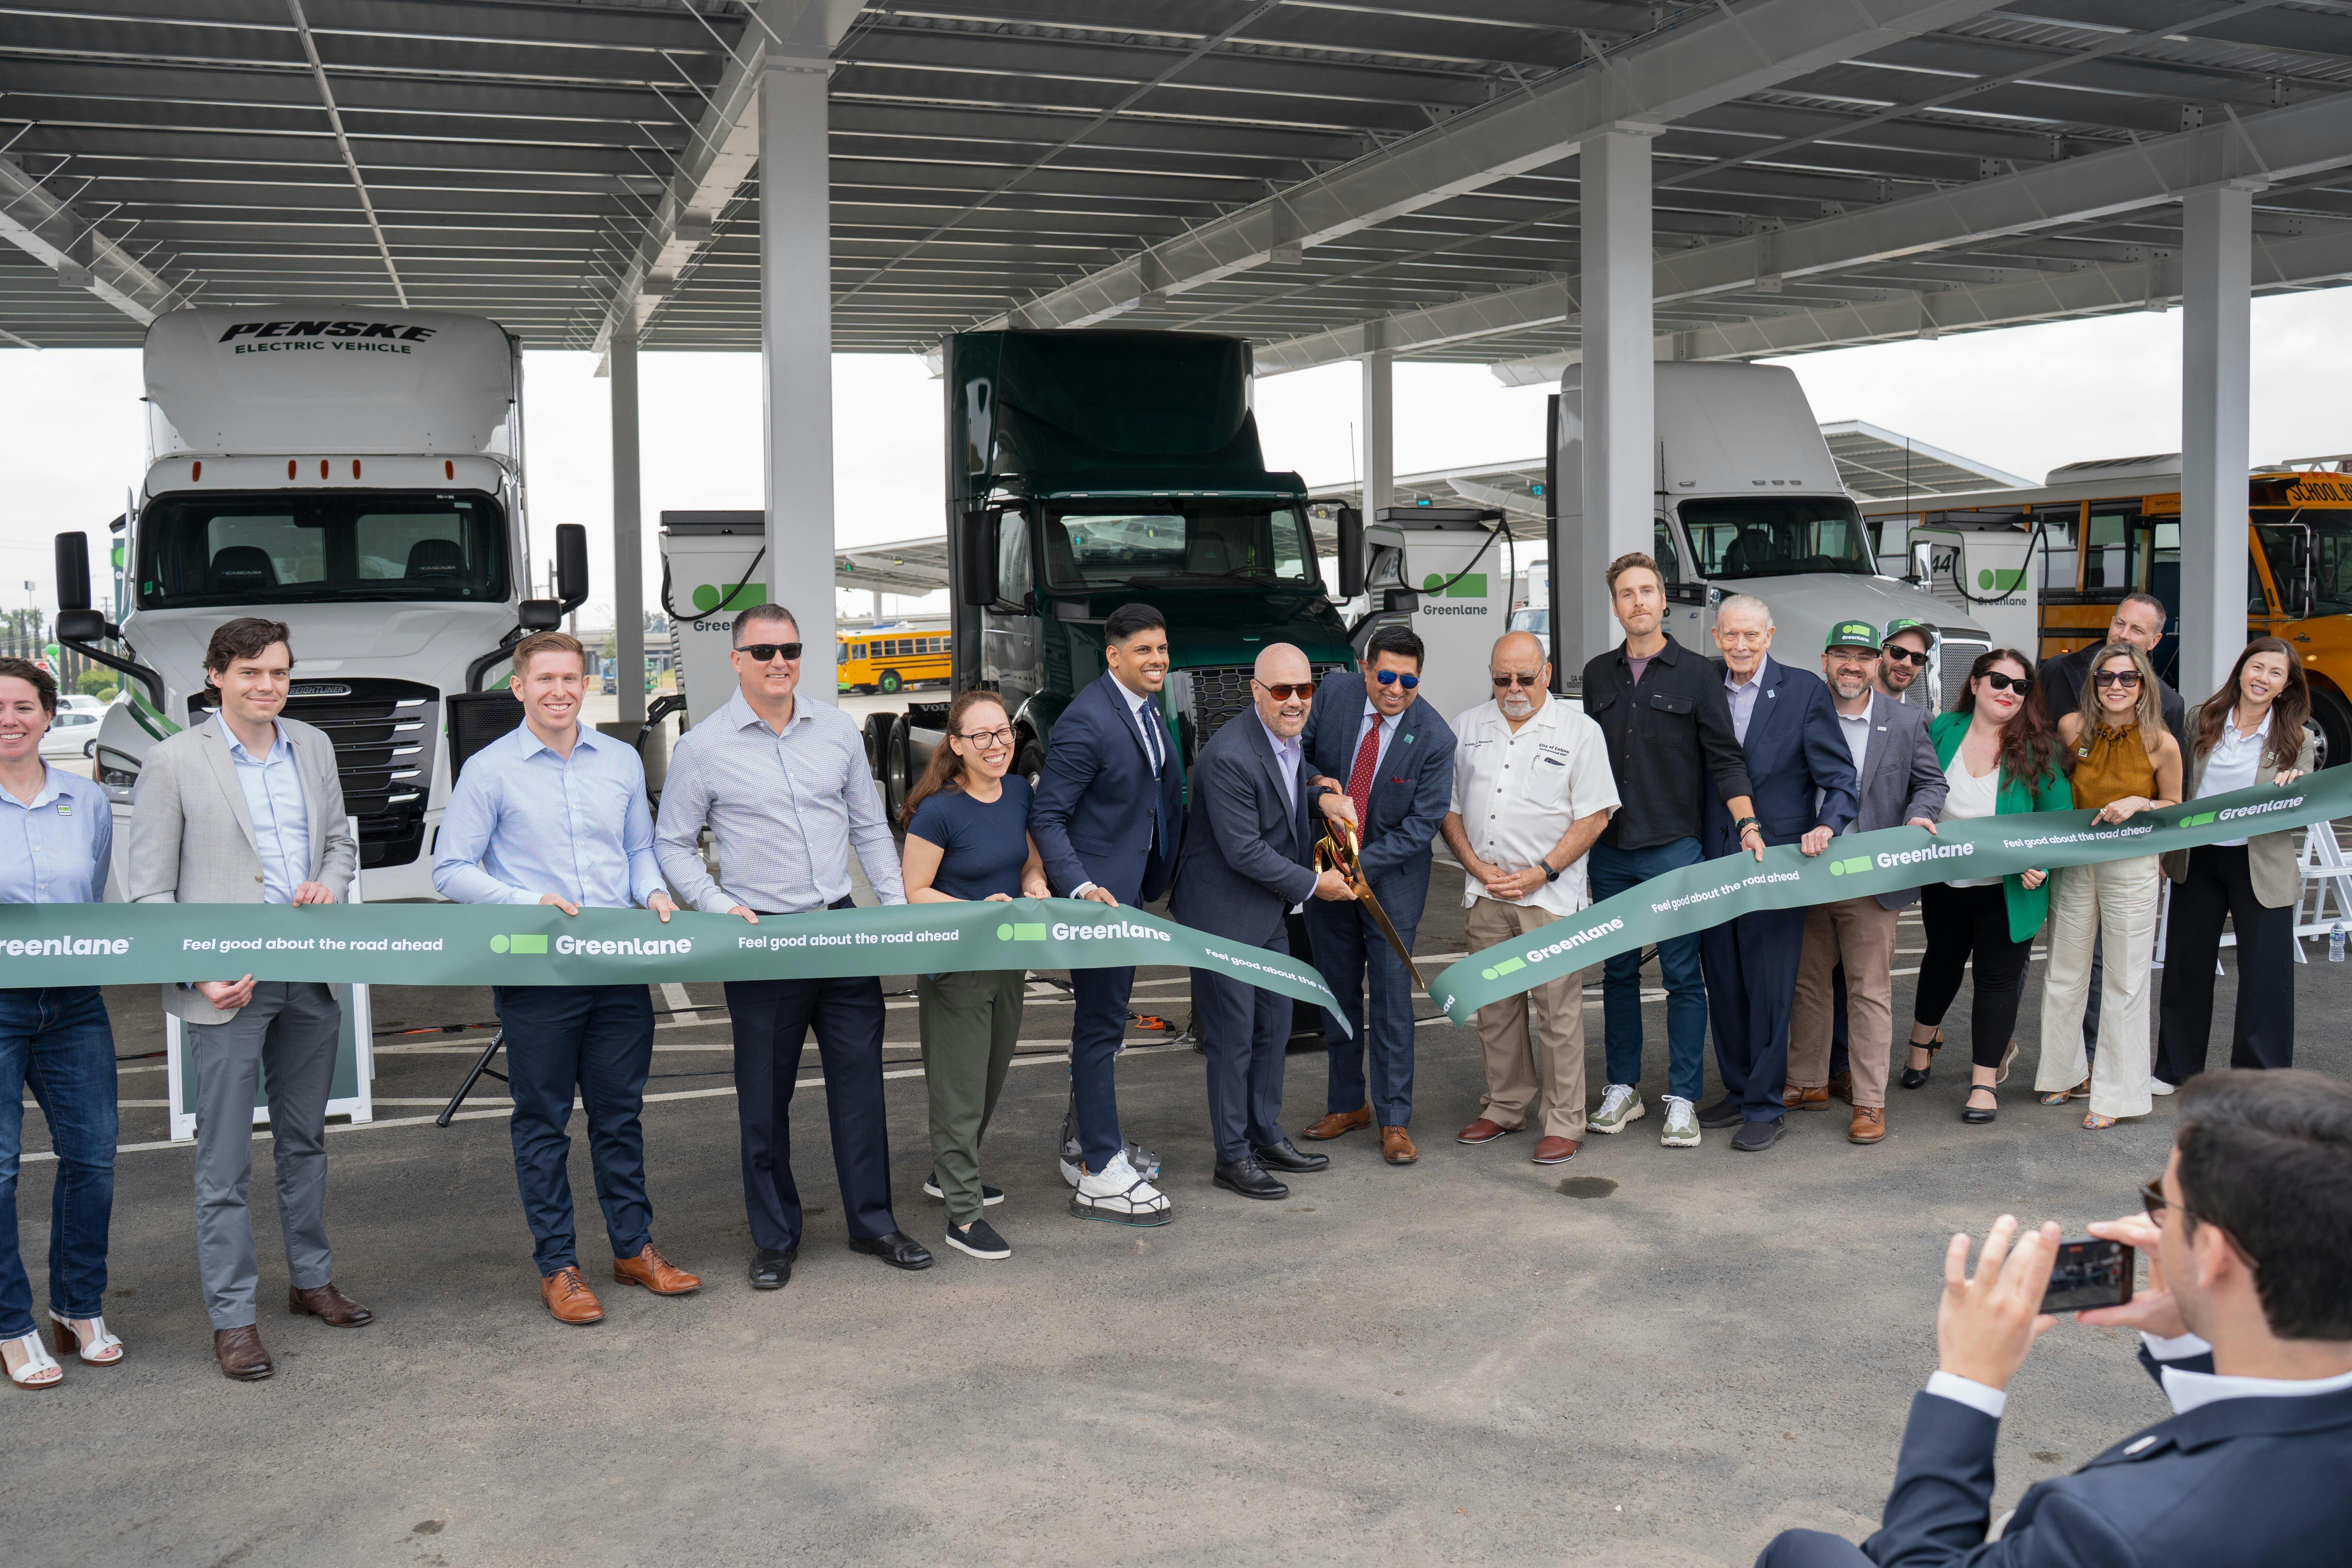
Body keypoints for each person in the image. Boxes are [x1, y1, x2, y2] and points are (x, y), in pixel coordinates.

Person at [1755, 1069, 2352, 1568]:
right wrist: (2186, 1333)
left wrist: (1967, 1381)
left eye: (2161, 1203)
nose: (2153, 1220)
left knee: (1799, 1551)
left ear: (2214, 1255)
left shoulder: (2109, 1529)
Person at [655, 602, 933, 1287]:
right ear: (737, 660)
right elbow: (672, 845)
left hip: (838, 930)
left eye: (791, 649)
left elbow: (871, 830)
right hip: (764, 942)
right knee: (764, 1099)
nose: (779, 661)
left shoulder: (836, 731)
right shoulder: (703, 747)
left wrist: (893, 910)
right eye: (764, 651)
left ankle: (873, 1224)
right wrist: (720, 906)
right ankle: (775, 1239)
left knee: (861, 1090)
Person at [124, 618, 369, 1382]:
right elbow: (150, 889)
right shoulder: (172, 762)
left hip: (307, 974)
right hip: (226, 987)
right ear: (216, 677)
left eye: (280, 674)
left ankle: (311, 1280)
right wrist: (196, 971)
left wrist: (329, 882)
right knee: (222, 1162)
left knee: (306, 1143)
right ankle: (233, 1319)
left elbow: (339, 843)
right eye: (252, 673)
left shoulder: (313, 747)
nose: (268, 687)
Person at [433, 630, 700, 1324]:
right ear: (518, 688)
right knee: (544, 1122)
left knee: (619, 1115)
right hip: (538, 971)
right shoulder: (488, 770)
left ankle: (634, 1249)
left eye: (571, 678)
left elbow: (639, 850)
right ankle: (558, 1265)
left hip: (618, 967)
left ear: (587, 684)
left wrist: (653, 893)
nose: (559, 690)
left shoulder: (616, 761)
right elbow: (451, 869)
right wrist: (530, 903)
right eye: (544, 678)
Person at [1579, 553, 1759, 1150]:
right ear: (1615, 605)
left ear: (1662, 601)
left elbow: (1725, 759)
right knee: (1618, 972)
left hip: (1673, 849)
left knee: (1684, 977)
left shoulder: (1697, 676)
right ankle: (1622, 1088)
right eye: (1626, 593)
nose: (1637, 601)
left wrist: (1748, 824)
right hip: (1608, 852)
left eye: (1647, 591)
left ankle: (1681, 1098)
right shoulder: (1597, 675)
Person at [1167, 645, 1355, 1201]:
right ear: (1256, 692)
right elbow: (1244, 849)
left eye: (1304, 689)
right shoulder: (1228, 756)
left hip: (1266, 908)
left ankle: (1265, 1134)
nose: (1295, 701)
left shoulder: (1285, 736)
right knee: (1233, 1040)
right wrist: (1316, 884)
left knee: (1274, 1027)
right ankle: (1231, 1156)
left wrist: (1322, 796)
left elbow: (1292, 779)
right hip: (1223, 913)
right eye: (1281, 691)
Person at [1028, 602, 1186, 1224]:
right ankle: (1100, 1167)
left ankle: (1082, 1147)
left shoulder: (1149, 710)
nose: (1157, 660)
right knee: (1098, 1030)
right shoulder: (1087, 720)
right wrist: (1084, 887)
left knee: (1105, 1026)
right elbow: (1047, 816)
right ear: (1113, 656)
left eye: (1162, 648)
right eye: (1143, 650)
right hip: (1098, 904)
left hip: (1131, 893)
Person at [1441, 628, 1619, 1163]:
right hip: (1486, 890)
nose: (1513, 687)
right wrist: (1473, 865)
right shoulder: (1466, 727)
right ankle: (1504, 1105)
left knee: (1557, 1013)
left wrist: (1543, 871)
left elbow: (1595, 815)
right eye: (1502, 678)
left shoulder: (1579, 731)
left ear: (1545, 673)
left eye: (1524, 676)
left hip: (1550, 895)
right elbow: (1448, 809)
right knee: (1494, 1008)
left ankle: (1564, 1120)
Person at [1695, 597, 1857, 1152]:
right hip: (1713, 860)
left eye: (1751, 636)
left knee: (1768, 987)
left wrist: (1828, 825)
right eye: (1730, 636)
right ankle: (1738, 1090)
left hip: (1778, 860)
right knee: (1723, 980)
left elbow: (1839, 776)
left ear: (1770, 635)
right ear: (1715, 635)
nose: (1740, 646)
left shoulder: (1804, 690)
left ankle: (1766, 1106)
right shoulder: (1704, 684)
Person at [0, 659, 121, 1390]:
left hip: (74, 1003)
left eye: (22, 705)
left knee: (94, 1161)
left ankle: (78, 1307)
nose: (9, 718)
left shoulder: (87, 799)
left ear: (48, 715)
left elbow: (96, 894)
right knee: (0, 1172)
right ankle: (11, 1324)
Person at [1295, 625, 1456, 1166]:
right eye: (1385, 676)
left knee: (1391, 1007)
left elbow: (1423, 825)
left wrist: (1357, 867)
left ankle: (1393, 1119)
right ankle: (1346, 1104)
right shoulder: (1335, 694)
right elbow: (1298, 758)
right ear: (1365, 669)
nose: (1395, 689)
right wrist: (1319, 790)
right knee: (1337, 996)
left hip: (1390, 888)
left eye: (1408, 680)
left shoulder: (1434, 736)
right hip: (1328, 883)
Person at [901, 690, 1051, 1260]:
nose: (997, 744)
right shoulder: (938, 810)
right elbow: (915, 892)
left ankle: (949, 1174)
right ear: (957, 745)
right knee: (959, 1091)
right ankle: (962, 1216)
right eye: (982, 736)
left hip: (1007, 958)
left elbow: (1028, 858)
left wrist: (1033, 880)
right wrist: (976, 912)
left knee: (988, 1080)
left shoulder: (1016, 793)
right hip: (957, 963)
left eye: (1004, 733)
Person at [1787, 622, 1946, 1146]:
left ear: (1875, 662)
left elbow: (1930, 781)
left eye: (1861, 656)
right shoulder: (1801, 713)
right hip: (1806, 873)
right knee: (1807, 985)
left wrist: (1920, 816)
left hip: (1871, 877)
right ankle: (1806, 1082)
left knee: (1868, 993)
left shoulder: (1904, 719)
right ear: (1824, 660)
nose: (1851, 666)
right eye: (1841, 656)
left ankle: (1870, 1104)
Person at [1903, 649, 2070, 1126]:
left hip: (2009, 886)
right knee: (1940, 959)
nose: (2009, 692)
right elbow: (1915, 787)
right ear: (1975, 683)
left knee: (1996, 980)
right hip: (1944, 878)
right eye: (1999, 680)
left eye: (2020, 686)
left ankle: (1983, 1081)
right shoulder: (1941, 730)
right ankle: (1922, 1041)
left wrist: (2041, 863)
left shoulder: (2041, 746)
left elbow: (2058, 824)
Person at [2035, 641, 2182, 1129]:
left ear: (2143, 685)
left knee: (2125, 979)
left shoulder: (2160, 740)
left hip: (2132, 864)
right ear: (2092, 683)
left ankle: (2118, 1094)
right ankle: (2064, 1072)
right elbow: (2058, 789)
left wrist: (2142, 801)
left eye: (2127, 678)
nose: (2115, 686)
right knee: (2064, 970)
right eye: (2105, 677)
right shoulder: (2071, 727)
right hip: (2077, 860)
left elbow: (2175, 805)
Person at [2155, 636, 2314, 1087]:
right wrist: (2168, 849)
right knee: (2186, 967)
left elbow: (2302, 801)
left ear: (2284, 686)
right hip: (2198, 859)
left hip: (2260, 861)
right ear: (2241, 670)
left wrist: (2295, 783)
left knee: (2266, 976)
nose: (2263, 678)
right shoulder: (2201, 720)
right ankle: (2175, 1069)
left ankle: (2259, 1079)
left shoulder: (2297, 739)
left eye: (2275, 673)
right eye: (2256, 667)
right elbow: (2180, 787)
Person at [2039, 592, 2186, 747]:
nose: (2123, 635)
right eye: (2120, 624)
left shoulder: (2170, 704)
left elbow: (2171, 767)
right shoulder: (2056, 668)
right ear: (2112, 623)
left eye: (2137, 630)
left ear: (2154, 641)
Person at [1875, 618, 1937, 709]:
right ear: (1880, 652)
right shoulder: (1850, 706)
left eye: (1917, 657)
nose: (1907, 664)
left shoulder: (1924, 719)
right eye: (1899, 652)